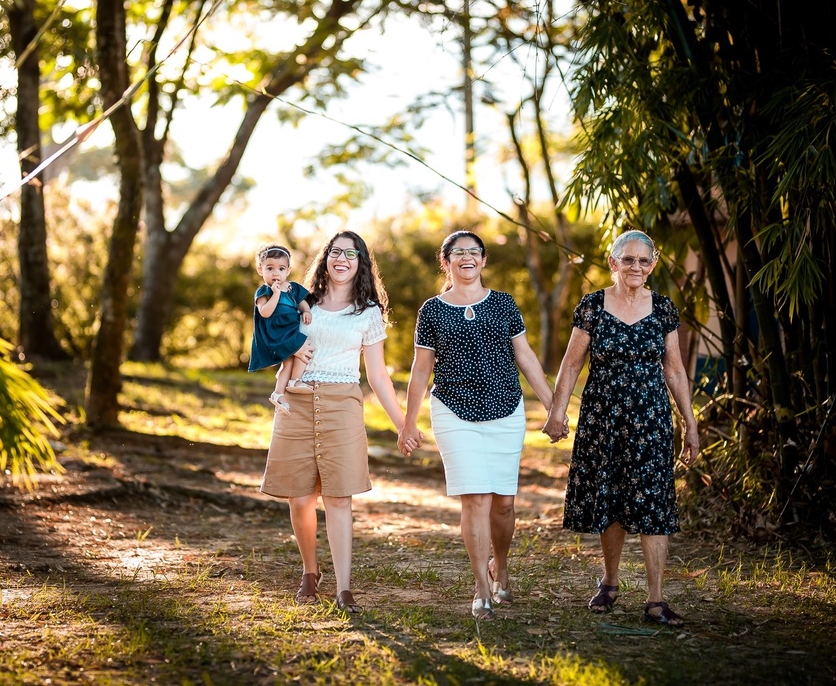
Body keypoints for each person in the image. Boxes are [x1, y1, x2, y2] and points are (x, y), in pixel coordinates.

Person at [542, 229, 700, 627]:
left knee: (654, 504)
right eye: (628, 259)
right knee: (609, 499)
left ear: (653, 265)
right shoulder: (593, 306)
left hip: (650, 420)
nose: (636, 267)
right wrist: (557, 412)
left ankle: (656, 599)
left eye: (644, 260)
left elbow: (675, 369)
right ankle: (610, 581)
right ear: (613, 263)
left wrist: (690, 424)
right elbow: (572, 363)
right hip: (603, 417)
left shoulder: (663, 308)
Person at [401, 230, 560, 620]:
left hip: (506, 409)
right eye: (459, 252)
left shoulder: (504, 304)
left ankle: (500, 566)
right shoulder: (432, 310)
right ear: (447, 261)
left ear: (484, 261)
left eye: (475, 251)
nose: (467, 257)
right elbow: (421, 369)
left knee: (503, 505)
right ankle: (482, 588)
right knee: (475, 498)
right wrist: (408, 423)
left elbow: (525, 357)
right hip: (453, 411)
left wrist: (553, 408)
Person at [260, 230, 419, 613]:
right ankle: (310, 573)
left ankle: (345, 588)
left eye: (351, 253)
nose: (342, 258)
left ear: (361, 262)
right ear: (325, 258)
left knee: (338, 497)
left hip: (343, 403)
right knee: (299, 498)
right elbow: (271, 339)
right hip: (296, 401)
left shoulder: (368, 313)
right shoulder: (300, 300)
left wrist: (403, 424)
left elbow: (378, 375)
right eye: (335, 252)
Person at [248, 243, 313, 414]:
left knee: (289, 361)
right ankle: (295, 381)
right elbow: (265, 312)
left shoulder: (292, 287)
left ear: (288, 270)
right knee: (304, 344)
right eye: (270, 268)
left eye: (281, 268)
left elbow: (302, 303)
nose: (276, 273)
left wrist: (306, 311)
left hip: (291, 330)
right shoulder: (264, 291)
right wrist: (275, 294)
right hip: (277, 333)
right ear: (260, 270)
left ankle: (278, 393)